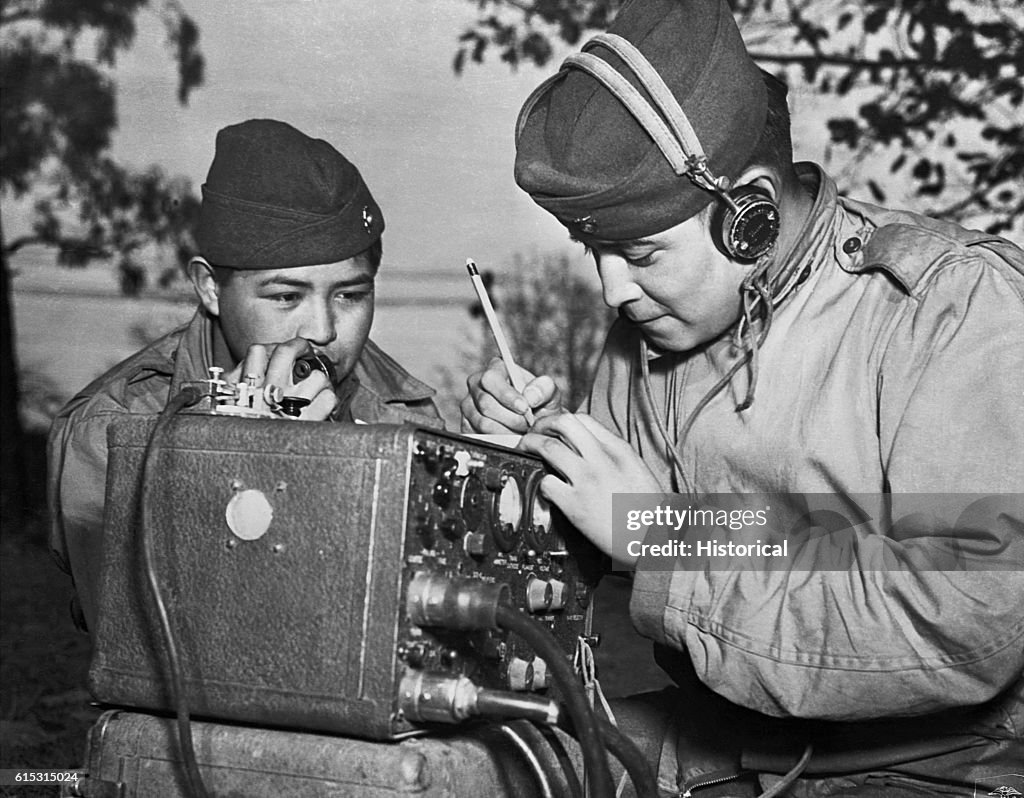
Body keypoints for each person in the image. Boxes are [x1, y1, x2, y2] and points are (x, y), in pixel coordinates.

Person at [462, 0, 1024, 794]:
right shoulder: (651, 334)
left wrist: (657, 530)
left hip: (938, 769)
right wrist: (519, 468)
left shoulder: (949, 310)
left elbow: (957, 615)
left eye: (641, 252)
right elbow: (592, 559)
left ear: (748, 217)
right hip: (718, 747)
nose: (612, 289)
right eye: (594, 251)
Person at [49, 119, 443, 637]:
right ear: (211, 289)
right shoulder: (112, 433)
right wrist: (217, 467)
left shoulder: (402, 414)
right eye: (285, 297)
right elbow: (136, 647)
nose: (322, 330)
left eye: (350, 295)